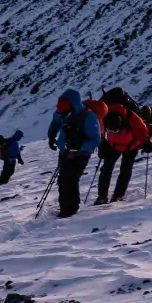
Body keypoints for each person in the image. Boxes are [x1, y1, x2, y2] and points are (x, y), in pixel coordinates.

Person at [46, 90, 100, 218]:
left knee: (70, 178)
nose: (63, 116)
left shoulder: (88, 117)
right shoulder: (63, 112)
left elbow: (96, 140)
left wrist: (79, 146)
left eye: (65, 113)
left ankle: (71, 209)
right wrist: (51, 135)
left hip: (81, 154)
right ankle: (65, 207)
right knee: (62, 179)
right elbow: (56, 121)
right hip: (65, 151)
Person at [95, 100, 151, 205]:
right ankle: (104, 196)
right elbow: (100, 131)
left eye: (115, 131)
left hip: (131, 145)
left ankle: (116, 196)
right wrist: (102, 144)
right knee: (108, 169)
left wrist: (146, 142)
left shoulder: (131, 117)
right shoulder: (104, 115)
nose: (113, 132)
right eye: (110, 131)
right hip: (113, 145)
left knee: (122, 170)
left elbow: (142, 130)